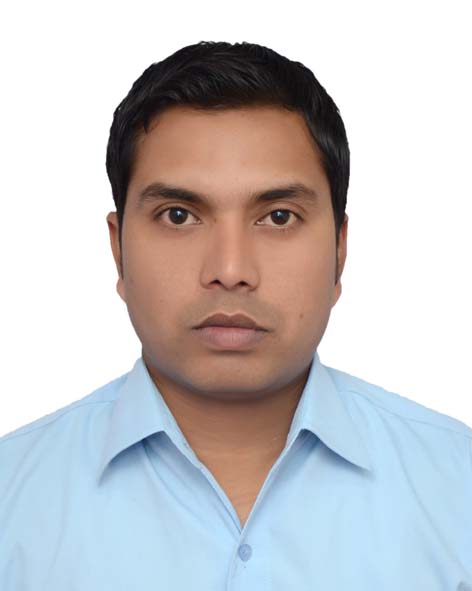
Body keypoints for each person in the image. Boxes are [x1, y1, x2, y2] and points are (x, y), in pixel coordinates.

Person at [1, 40, 471, 590]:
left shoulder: (457, 486)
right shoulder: (12, 499)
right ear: (118, 248)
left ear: (340, 250)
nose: (230, 270)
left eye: (278, 216)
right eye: (179, 215)